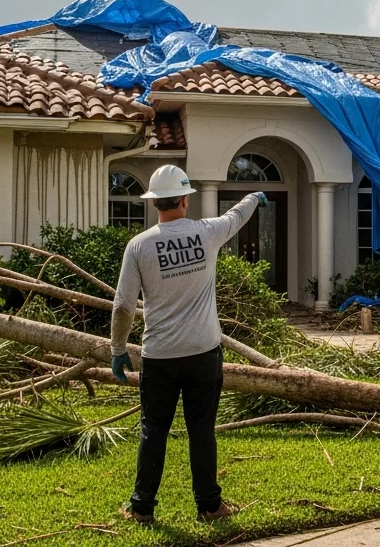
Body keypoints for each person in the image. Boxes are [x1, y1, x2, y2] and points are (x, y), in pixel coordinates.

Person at [110, 164, 266, 524]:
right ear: (184, 199)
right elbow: (236, 215)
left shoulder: (139, 246)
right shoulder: (207, 233)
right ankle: (210, 507)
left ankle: (142, 508)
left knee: (154, 431)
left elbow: (122, 306)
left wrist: (118, 349)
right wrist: (254, 196)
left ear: (154, 204)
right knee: (201, 430)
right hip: (203, 353)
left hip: (160, 356)